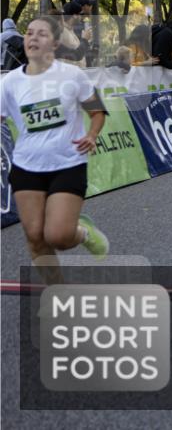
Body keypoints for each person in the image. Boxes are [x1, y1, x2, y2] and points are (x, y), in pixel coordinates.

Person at [2, 16, 110, 284]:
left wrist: (92, 134)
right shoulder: (9, 82)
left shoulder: (72, 75)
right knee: (36, 237)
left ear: (55, 44)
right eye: (29, 33)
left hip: (68, 163)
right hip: (27, 166)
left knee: (59, 236)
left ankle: (83, 232)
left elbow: (97, 111)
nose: (33, 38)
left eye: (41, 34)